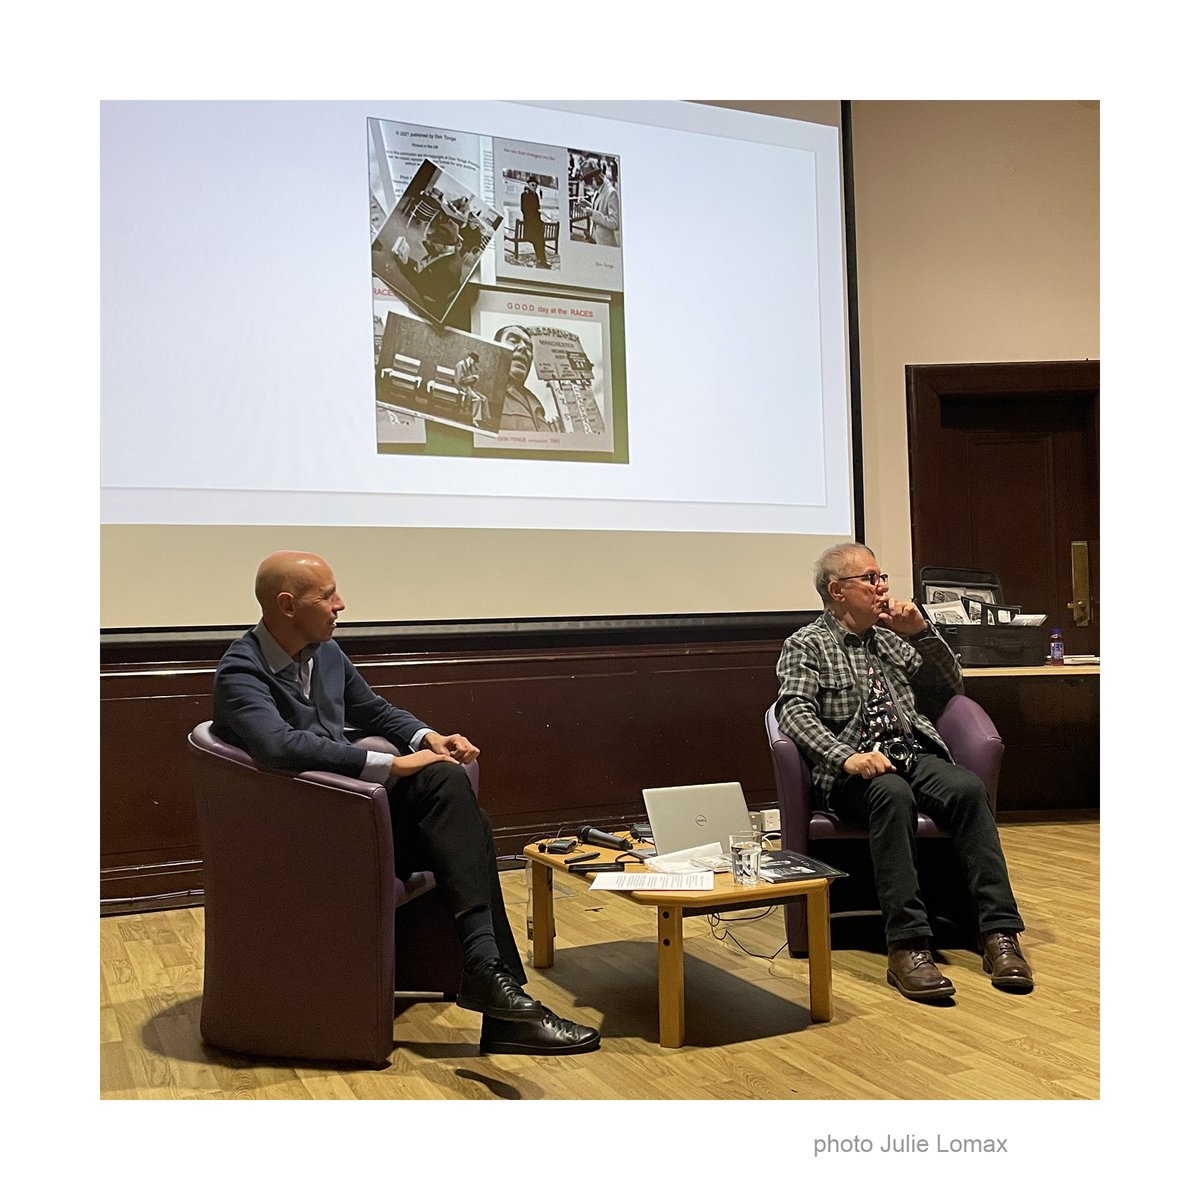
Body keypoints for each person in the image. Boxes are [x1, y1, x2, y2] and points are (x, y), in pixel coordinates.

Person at [211, 551, 600, 1055]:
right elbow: (279, 747)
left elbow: (373, 710)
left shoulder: (326, 653)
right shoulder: (241, 670)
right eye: (327, 596)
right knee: (464, 828)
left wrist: (427, 738)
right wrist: (391, 766)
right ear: (286, 605)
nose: (340, 605)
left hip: (354, 816)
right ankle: (499, 997)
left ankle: (489, 977)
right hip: (305, 835)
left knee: (449, 792)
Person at [774, 542, 1033, 1002]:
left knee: (968, 789)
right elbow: (792, 712)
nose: (882, 587)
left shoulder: (891, 638)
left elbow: (952, 686)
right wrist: (845, 756)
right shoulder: (807, 645)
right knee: (891, 793)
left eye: (882, 577)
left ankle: (999, 934)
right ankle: (908, 945)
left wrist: (922, 633)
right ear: (837, 590)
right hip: (854, 772)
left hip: (912, 754)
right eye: (870, 579)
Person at [492, 324, 557, 432]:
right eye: (513, 340)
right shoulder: (485, 393)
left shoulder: (537, 405)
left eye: (529, 347)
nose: (523, 347)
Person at [581, 159, 620, 247]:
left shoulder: (611, 193)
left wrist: (592, 213)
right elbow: (601, 209)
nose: (590, 186)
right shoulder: (599, 190)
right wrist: (588, 205)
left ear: (595, 178)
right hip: (596, 240)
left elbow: (614, 223)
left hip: (606, 244)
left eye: (589, 182)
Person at [520, 176, 550, 267]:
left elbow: (537, 209)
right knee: (538, 240)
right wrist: (535, 215)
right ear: (528, 185)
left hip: (536, 224)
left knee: (541, 240)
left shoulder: (536, 195)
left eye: (536, 185)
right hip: (529, 225)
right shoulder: (524, 195)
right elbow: (524, 210)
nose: (534, 187)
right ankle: (542, 260)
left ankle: (542, 260)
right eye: (532, 185)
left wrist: (539, 219)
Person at [453, 350, 487, 426]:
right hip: (463, 388)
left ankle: (485, 419)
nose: (474, 364)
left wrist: (472, 379)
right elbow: (458, 381)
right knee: (477, 399)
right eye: (474, 362)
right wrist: (471, 378)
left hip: (469, 387)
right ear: (471, 359)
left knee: (484, 398)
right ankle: (475, 420)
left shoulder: (469, 366)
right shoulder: (460, 365)